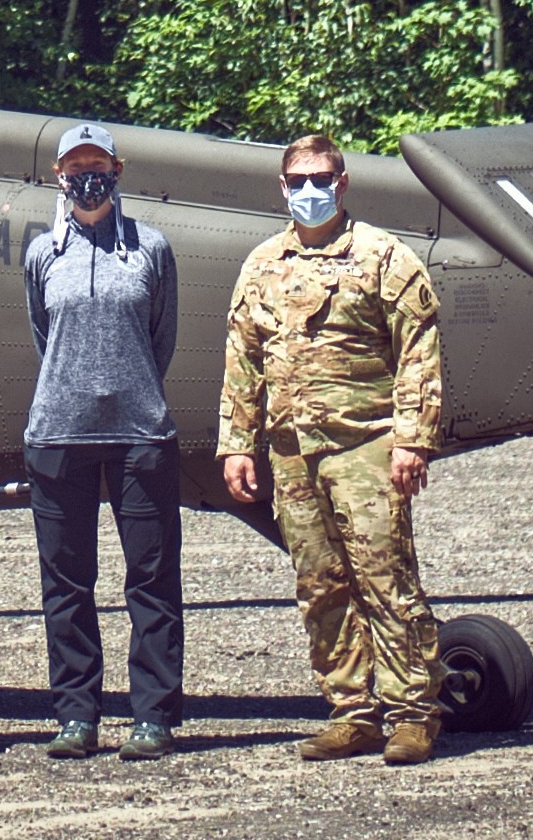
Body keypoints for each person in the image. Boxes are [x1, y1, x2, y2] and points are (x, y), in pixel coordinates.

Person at [216, 129, 447, 764]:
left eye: (322, 180)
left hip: (365, 446)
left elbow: (418, 354)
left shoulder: (383, 258)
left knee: (385, 577)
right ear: (283, 187)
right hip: (290, 451)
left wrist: (413, 441)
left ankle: (413, 713)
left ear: (342, 184)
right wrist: (237, 445)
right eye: (299, 182)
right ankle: (352, 711)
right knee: (319, 584)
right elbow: (243, 358)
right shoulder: (263, 264)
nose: (310, 192)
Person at [18, 120, 181, 762]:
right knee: (66, 583)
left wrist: (131, 388)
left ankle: (154, 718)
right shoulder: (42, 254)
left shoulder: (151, 248)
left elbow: (159, 336)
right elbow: (42, 333)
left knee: (151, 578)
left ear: (118, 171)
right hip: (58, 434)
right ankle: (77, 716)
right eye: (74, 166)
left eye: (98, 165)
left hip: (141, 433)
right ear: (58, 176)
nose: (87, 176)